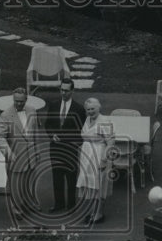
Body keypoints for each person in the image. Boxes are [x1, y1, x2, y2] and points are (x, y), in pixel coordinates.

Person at [0, 87, 40, 223]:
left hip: (31, 153)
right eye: (16, 101)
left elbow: (35, 131)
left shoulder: (32, 110)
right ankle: (16, 209)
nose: (19, 103)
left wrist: (37, 151)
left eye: (21, 101)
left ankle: (28, 204)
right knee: (15, 184)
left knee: (28, 181)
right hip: (15, 155)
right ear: (13, 99)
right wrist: (9, 152)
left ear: (26, 99)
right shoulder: (5, 115)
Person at [45, 77, 86, 214]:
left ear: (72, 91)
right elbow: (48, 125)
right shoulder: (54, 105)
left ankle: (71, 205)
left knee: (71, 177)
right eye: (62, 90)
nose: (63, 93)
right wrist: (52, 135)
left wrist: (75, 144)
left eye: (66, 91)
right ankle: (59, 204)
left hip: (70, 149)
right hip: (55, 148)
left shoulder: (79, 109)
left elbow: (83, 130)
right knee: (57, 177)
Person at [76, 97, 114, 225]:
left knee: (99, 186)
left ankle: (99, 214)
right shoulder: (87, 119)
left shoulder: (104, 121)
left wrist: (104, 159)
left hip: (98, 155)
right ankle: (92, 212)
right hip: (87, 156)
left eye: (93, 109)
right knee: (89, 185)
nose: (90, 112)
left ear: (99, 108)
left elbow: (110, 142)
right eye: (88, 110)